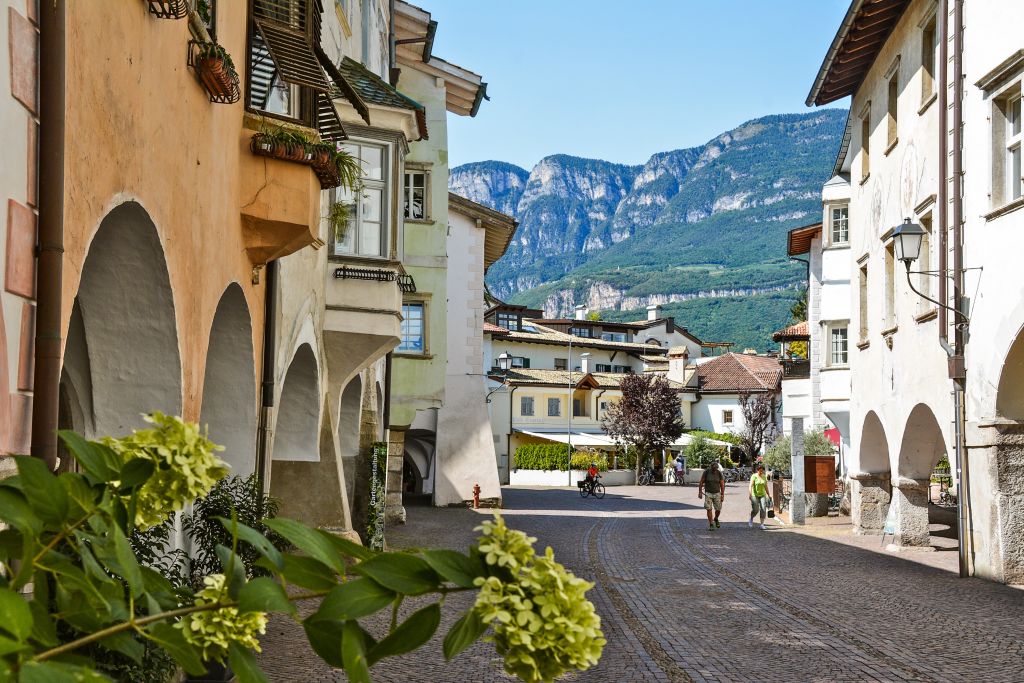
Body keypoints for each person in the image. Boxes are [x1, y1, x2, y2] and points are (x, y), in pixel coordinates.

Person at [698, 460, 725, 530]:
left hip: (717, 493)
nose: (715, 470)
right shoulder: (706, 472)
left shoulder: (719, 473)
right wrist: (700, 492)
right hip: (708, 493)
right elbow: (701, 482)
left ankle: (716, 518)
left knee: (718, 509)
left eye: (716, 468)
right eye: (714, 469)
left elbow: (722, 484)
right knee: (709, 508)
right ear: (711, 467)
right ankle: (711, 523)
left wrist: (722, 494)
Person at [749, 463, 770, 529]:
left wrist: (768, 494)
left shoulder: (764, 476)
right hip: (754, 495)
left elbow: (766, 486)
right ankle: (751, 518)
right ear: (757, 470)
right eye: (760, 471)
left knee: (763, 508)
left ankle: (762, 524)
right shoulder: (754, 476)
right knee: (756, 509)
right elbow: (751, 485)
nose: (761, 472)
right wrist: (750, 494)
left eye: (762, 471)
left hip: (762, 495)